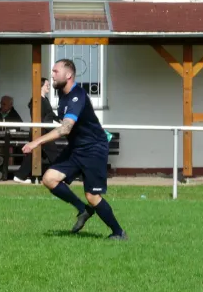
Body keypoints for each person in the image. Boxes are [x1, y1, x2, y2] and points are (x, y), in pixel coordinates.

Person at [22, 59, 127, 240]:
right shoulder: (63, 97)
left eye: (55, 71)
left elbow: (65, 128)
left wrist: (36, 142)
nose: (52, 75)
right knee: (49, 178)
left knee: (92, 196)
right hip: (77, 148)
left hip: (94, 149)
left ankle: (119, 233)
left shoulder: (77, 95)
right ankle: (82, 209)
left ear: (68, 75)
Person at [14, 78, 61, 184]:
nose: (49, 86)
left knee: (35, 154)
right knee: (52, 153)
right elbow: (40, 117)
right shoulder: (36, 100)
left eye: (49, 85)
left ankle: (20, 176)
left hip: (45, 130)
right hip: (40, 131)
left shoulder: (45, 99)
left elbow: (51, 115)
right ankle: (60, 176)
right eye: (46, 85)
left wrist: (60, 120)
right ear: (40, 86)